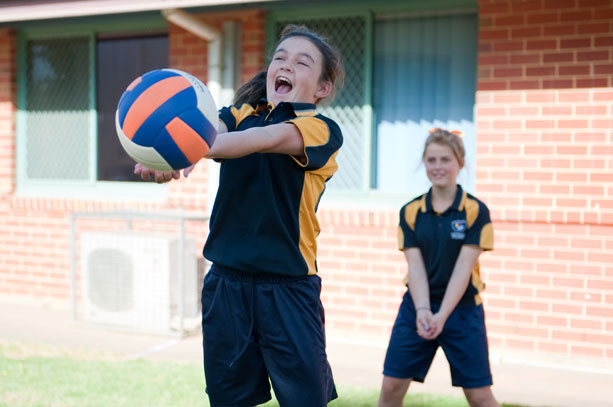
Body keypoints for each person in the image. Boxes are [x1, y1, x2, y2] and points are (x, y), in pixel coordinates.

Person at [136, 25, 344, 407]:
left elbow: (257, 141)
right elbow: (211, 132)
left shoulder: (320, 130)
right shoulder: (239, 113)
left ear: (322, 88)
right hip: (226, 286)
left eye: (302, 62)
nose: (286, 65)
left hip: (289, 289)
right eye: (280, 57)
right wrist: (170, 157)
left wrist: (189, 148)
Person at [378, 128, 500, 407]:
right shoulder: (410, 211)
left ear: (460, 162)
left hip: (462, 310)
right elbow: (415, 267)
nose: (438, 166)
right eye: (431, 160)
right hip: (417, 307)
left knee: (480, 397)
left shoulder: (475, 211)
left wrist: (442, 315)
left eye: (445, 159)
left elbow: (464, 268)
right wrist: (423, 310)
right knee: (391, 387)